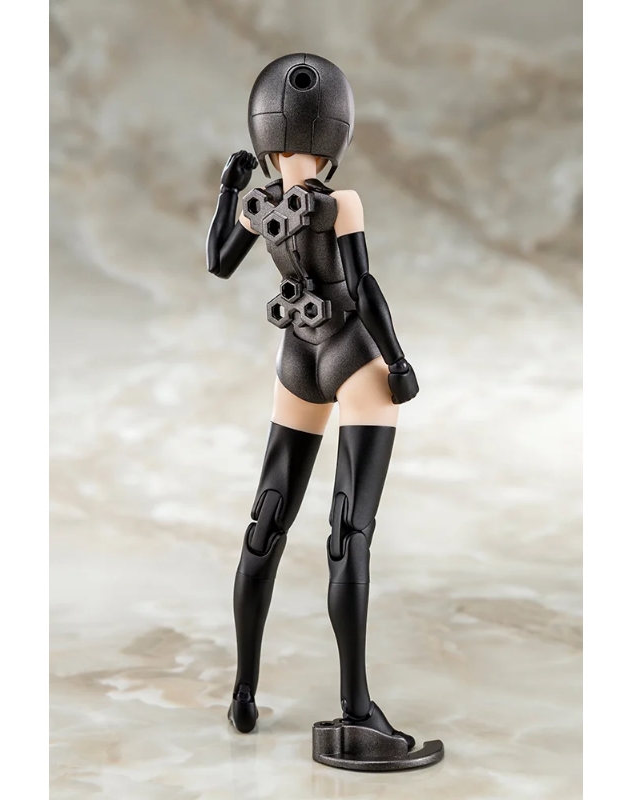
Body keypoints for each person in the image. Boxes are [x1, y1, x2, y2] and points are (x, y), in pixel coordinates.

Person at [205, 54, 419, 751]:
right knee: (347, 532)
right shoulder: (342, 201)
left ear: (263, 130)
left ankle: (244, 692)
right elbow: (363, 289)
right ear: (337, 132)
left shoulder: (258, 205)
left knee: (265, 523)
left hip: (298, 354)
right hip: (351, 353)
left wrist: (229, 189)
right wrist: (397, 359)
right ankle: (356, 710)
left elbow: (218, 261)